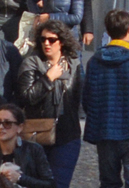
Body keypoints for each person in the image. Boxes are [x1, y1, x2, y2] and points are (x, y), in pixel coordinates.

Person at [80, 11, 129, 188]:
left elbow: (87, 98)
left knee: (108, 182)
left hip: (105, 131)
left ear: (108, 31)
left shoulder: (95, 61)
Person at [16, 22, 82, 188]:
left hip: (67, 136)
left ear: (62, 42)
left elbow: (79, 99)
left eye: (51, 40)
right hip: (36, 135)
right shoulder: (31, 63)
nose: (46, 43)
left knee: (59, 184)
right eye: (43, 39)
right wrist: (48, 78)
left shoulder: (74, 65)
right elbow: (26, 97)